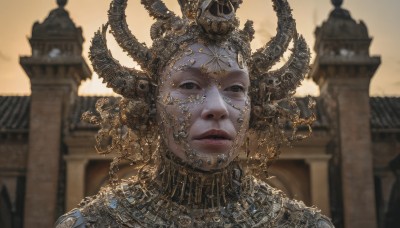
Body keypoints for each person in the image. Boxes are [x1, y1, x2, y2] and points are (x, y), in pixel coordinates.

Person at [56, 0, 334, 227]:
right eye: (189, 85)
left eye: (236, 88)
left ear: (256, 106)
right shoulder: (93, 224)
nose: (217, 108)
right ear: (151, 103)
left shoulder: (302, 224)